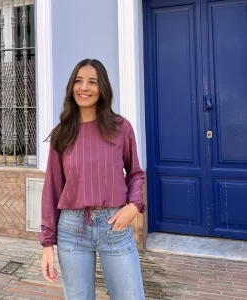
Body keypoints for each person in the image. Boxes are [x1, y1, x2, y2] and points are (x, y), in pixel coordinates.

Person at [40, 58, 146, 300]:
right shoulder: (62, 133)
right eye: (78, 81)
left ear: (102, 89)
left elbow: (136, 173)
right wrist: (47, 244)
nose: (84, 88)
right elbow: (52, 189)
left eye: (92, 82)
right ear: (71, 87)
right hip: (72, 230)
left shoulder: (121, 128)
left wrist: (134, 206)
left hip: (114, 226)